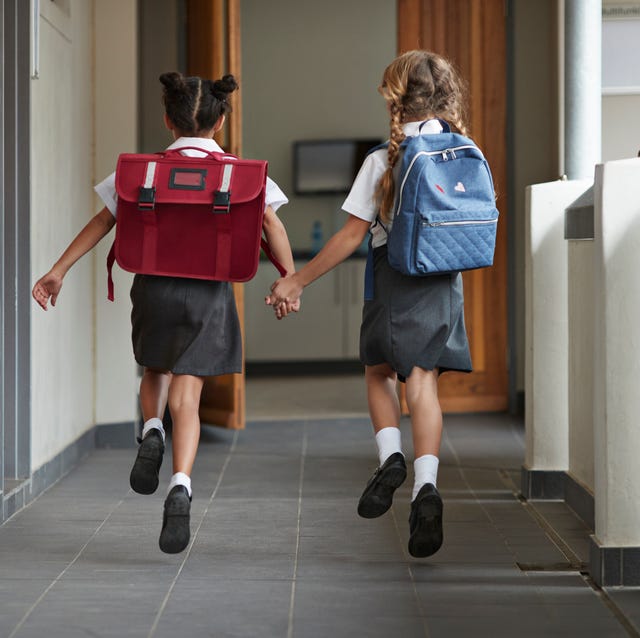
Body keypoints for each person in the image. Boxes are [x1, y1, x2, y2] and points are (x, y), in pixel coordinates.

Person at [32, 71, 298, 554]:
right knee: (189, 395)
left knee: (155, 368)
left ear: (167, 121)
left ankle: (150, 429)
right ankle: (180, 484)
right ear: (220, 125)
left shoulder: (142, 172)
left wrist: (58, 270)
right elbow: (272, 224)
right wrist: (289, 278)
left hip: (153, 289)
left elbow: (102, 222)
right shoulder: (239, 174)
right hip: (208, 295)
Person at [267, 50, 473, 558]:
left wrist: (296, 280)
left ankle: (391, 459)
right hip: (444, 283)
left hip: (393, 280)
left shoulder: (385, 158)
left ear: (395, 98)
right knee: (422, 383)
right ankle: (427, 487)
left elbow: (350, 237)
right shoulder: (464, 150)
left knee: (378, 372)